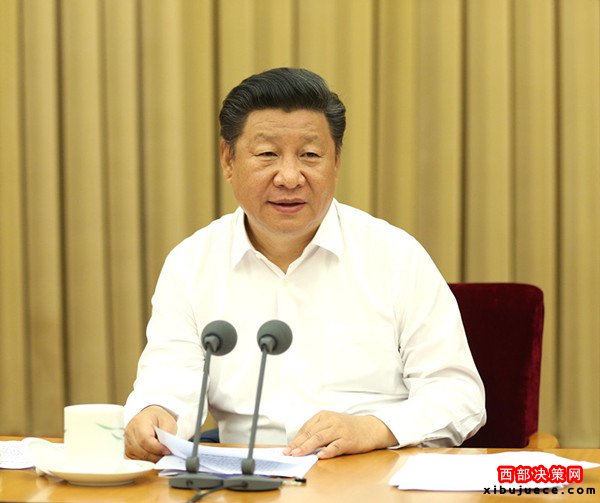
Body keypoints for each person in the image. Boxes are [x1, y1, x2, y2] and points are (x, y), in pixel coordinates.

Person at [124, 67, 486, 463]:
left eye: (310, 155)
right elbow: (169, 383)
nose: (289, 177)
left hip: (371, 472)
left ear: (336, 161)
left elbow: (459, 395)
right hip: (245, 478)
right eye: (267, 154)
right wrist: (154, 417)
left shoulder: (395, 256)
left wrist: (372, 428)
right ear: (228, 160)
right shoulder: (191, 264)